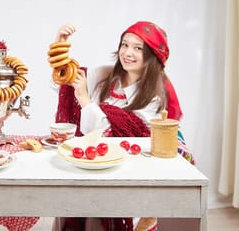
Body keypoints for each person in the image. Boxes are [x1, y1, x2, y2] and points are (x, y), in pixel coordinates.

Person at [51, 21, 193, 231]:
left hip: (128, 174)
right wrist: (60, 45)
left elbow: (108, 135)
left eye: (138, 48)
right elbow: (63, 81)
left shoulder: (154, 97)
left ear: (153, 55)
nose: (127, 52)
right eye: (124, 45)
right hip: (92, 166)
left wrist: (83, 97)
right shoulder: (105, 76)